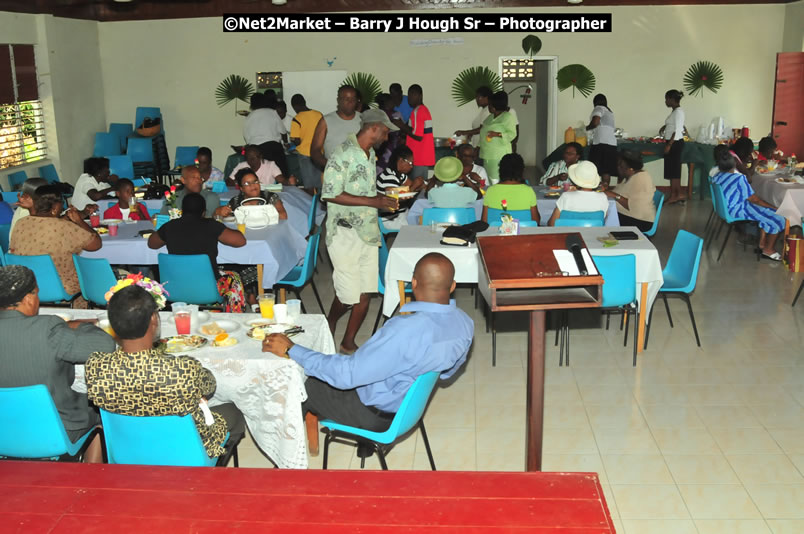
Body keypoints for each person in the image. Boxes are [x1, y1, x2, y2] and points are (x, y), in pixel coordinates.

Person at [263, 253, 473, 432]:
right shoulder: (465, 324)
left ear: (414, 283)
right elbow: (446, 374)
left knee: (297, 379)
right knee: (326, 366)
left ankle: (284, 453)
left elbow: (347, 376)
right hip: (407, 410)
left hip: (373, 414)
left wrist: (292, 349)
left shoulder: (403, 329)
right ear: (452, 286)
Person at [85, 284, 245, 461]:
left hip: (129, 450)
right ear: (154, 319)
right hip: (185, 452)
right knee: (233, 411)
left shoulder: (96, 366)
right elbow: (210, 385)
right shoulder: (183, 369)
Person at [0, 265, 114, 463]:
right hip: (56, 431)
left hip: (4, 431)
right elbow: (106, 346)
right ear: (28, 299)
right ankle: (90, 477)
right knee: (99, 409)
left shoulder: (47, 329)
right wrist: (80, 326)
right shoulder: (48, 329)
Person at [321, 109, 398, 354]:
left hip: (367, 230)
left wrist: (384, 198)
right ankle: (329, 322)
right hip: (344, 233)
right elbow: (330, 193)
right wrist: (374, 202)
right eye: (386, 131)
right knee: (348, 295)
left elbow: (365, 191)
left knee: (365, 292)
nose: (387, 137)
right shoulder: (342, 153)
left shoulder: (370, 154)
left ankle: (348, 342)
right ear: (374, 128)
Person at [149, 193, 249, 311]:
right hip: (208, 287)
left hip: (176, 287)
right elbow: (240, 241)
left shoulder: (169, 226)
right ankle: (231, 314)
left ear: (182, 211)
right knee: (234, 277)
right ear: (203, 212)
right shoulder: (211, 225)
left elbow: (152, 243)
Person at [10, 185, 102, 307]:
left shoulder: (20, 223)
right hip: (61, 286)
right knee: (92, 273)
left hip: (26, 285)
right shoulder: (64, 227)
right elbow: (96, 244)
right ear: (54, 208)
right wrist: (79, 221)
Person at [711, 151, 785, 261]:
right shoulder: (738, 178)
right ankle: (768, 249)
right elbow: (754, 199)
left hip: (725, 209)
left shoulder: (717, 176)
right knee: (779, 217)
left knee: (765, 210)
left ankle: (762, 243)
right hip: (737, 209)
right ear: (734, 164)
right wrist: (774, 207)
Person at [602, 150, 657, 233]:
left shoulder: (640, 179)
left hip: (640, 221)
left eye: (620, 165)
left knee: (604, 215)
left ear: (629, 168)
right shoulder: (632, 176)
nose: (618, 167)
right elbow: (622, 191)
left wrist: (614, 195)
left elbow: (632, 206)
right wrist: (607, 189)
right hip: (632, 216)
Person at [311, 85, 361, 172]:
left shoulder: (363, 119)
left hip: (358, 172)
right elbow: (315, 150)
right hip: (333, 173)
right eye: (346, 99)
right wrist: (331, 165)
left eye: (353, 99)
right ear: (338, 100)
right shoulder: (325, 121)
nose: (350, 102)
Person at [547, 161, 609, 226]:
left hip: (568, 232)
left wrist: (569, 194)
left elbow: (551, 224)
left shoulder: (566, 197)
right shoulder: (603, 198)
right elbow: (601, 223)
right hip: (593, 232)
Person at [482, 153, 539, 223]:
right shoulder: (528, 191)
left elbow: (484, 221)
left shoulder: (490, 191)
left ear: (501, 170)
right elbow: (536, 221)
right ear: (521, 170)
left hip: (497, 230)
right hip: (522, 230)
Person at [243, 92, 289, 177]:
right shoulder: (272, 112)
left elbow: (247, 137)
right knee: (281, 174)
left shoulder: (249, 116)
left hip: (256, 150)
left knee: (260, 176)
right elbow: (283, 132)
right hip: (274, 148)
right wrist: (286, 143)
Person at [479, 91, 517, 185]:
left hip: (499, 155)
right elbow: (483, 132)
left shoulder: (507, 117)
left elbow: (512, 134)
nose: (488, 107)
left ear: (494, 106)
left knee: (496, 180)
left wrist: (497, 134)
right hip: (486, 154)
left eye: (490, 105)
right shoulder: (490, 117)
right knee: (487, 180)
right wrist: (477, 147)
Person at [218, 168, 287, 220]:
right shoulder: (236, 201)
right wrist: (218, 212)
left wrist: (254, 211)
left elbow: (283, 216)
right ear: (241, 188)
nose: (252, 185)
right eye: (247, 183)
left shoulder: (270, 197)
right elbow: (224, 216)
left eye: (255, 181)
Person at [289, 93, 323, 190]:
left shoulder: (297, 119)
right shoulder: (319, 114)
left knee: (309, 185)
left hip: (305, 154)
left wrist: (292, 143)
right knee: (320, 183)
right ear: (304, 102)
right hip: (319, 152)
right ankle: (320, 199)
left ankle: (311, 199)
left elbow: (297, 141)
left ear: (294, 106)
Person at [403, 84, 436, 183]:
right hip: (422, 157)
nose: (409, 98)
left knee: (416, 186)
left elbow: (418, 136)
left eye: (413, 94)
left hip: (417, 157)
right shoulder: (423, 109)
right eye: (409, 95)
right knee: (421, 186)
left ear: (420, 95)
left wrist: (400, 125)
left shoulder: (418, 111)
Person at [660, 89, 686, 204]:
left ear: (671, 99)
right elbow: (673, 125)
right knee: (672, 171)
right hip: (672, 142)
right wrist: (665, 127)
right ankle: (677, 194)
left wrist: (669, 145)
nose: (665, 101)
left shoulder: (679, 112)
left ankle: (675, 195)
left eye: (666, 99)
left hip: (675, 143)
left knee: (674, 171)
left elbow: (678, 130)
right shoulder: (675, 112)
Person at [586, 94, 618, 186]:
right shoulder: (609, 111)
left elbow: (595, 123)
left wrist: (586, 128)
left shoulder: (599, 108)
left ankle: (592, 188)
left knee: (594, 168)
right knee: (606, 170)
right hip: (611, 144)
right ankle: (605, 189)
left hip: (601, 143)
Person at [228, 144, 294, 188]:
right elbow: (228, 182)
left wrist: (289, 181)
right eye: (248, 158)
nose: (251, 160)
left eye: (253, 158)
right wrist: (237, 182)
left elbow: (281, 179)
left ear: (260, 156)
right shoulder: (241, 166)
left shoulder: (270, 165)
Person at [374, 93, 404, 175]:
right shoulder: (395, 114)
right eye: (392, 101)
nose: (394, 103)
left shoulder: (377, 114)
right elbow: (402, 128)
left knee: (381, 165)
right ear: (387, 102)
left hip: (382, 145)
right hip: (390, 144)